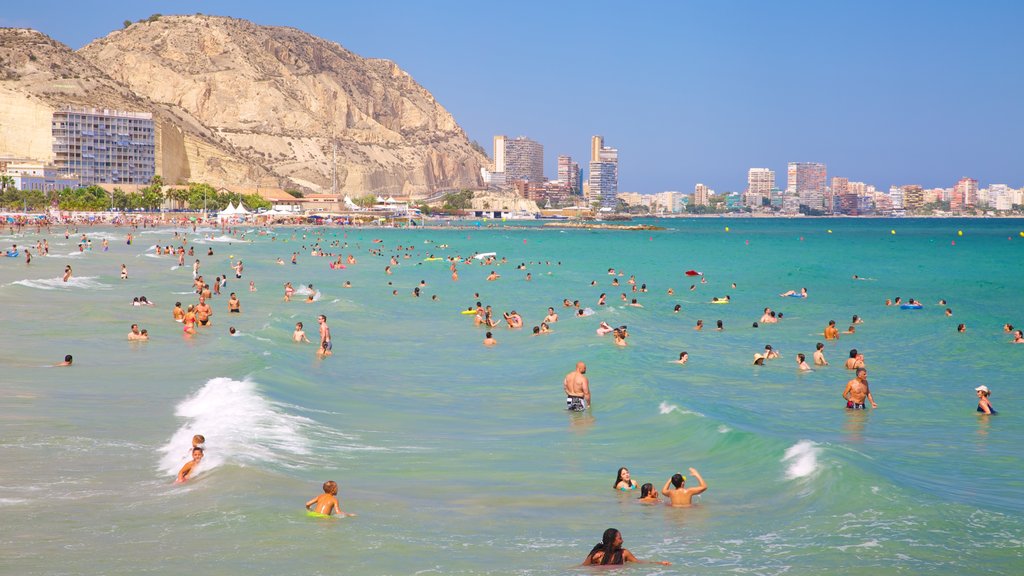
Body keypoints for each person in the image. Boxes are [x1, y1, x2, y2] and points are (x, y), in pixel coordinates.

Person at [581, 528, 671, 566]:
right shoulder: (597, 556)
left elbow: (638, 562)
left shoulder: (624, 553)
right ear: (612, 541)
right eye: (620, 539)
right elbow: (582, 568)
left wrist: (658, 563)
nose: (622, 541)